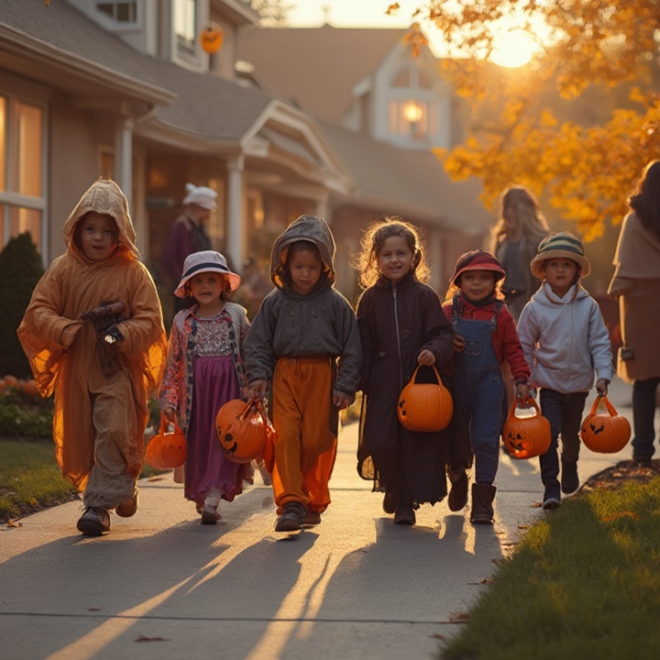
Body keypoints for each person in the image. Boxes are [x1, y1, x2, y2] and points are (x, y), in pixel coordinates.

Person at [17, 179, 168, 536]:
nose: (98, 237)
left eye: (106, 230)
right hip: (77, 370)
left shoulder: (133, 273)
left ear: (120, 234)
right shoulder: (62, 269)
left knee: (114, 428)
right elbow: (38, 311)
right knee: (82, 439)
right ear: (77, 228)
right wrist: (65, 330)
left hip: (115, 369)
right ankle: (119, 488)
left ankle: (98, 506)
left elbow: (150, 320)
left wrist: (123, 333)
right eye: (90, 229)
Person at [243, 215, 361, 532]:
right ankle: (291, 502)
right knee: (287, 437)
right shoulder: (274, 302)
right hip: (285, 374)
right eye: (299, 267)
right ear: (285, 265)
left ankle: (307, 496)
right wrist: (258, 375)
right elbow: (258, 342)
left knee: (316, 439)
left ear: (324, 265)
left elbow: (352, 346)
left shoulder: (336, 304)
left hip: (323, 374)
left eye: (312, 267)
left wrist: (346, 385)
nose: (305, 274)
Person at [354, 218, 472, 527]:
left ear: (414, 257)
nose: (394, 260)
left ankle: (405, 500)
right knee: (380, 441)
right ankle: (392, 484)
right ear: (375, 259)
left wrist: (433, 350)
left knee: (414, 445)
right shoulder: (368, 300)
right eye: (387, 255)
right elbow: (361, 344)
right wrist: (354, 380)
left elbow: (443, 335)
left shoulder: (424, 296)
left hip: (419, 382)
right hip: (382, 382)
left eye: (401, 254)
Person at [518, 232, 613, 509]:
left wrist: (603, 374)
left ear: (576, 272)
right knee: (548, 435)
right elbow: (523, 344)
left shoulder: (588, 307)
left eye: (566, 265)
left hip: (579, 385)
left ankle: (570, 464)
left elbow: (599, 342)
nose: (560, 269)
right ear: (543, 271)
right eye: (553, 264)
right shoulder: (534, 308)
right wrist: (524, 379)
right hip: (548, 384)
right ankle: (551, 486)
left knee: (571, 435)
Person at [159, 250, 251, 524]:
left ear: (224, 284)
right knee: (200, 442)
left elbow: (251, 349)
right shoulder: (182, 322)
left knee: (222, 440)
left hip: (229, 392)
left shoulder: (235, 315)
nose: (206, 286)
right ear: (188, 287)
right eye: (198, 281)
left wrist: (256, 383)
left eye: (212, 280)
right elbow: (173, 363)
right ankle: (204, 493)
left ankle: (213, 494)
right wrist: (168, 399)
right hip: (196, 396)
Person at [442, 250, 530, 524]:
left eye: (484, 278)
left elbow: (513, 349)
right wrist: (447, 343)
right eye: (470, 278)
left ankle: (482, 502)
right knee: (453, 439)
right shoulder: (447, 311)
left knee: (485, 440)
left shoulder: (501, 314)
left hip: (488, 385)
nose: (477, 283)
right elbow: (433, 339)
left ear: (495, 282)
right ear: (458, 281)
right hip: (455, 384)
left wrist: (522, 378)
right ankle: (457, 477)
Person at [608, 161, 660, 466]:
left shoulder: (633, 222)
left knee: (644, 383)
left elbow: (623, 274)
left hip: (641, 309)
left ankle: (642, 453)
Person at [490, 186, 551, 322]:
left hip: (531, 311)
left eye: (512, 207)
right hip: (503, 311)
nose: (507, 212)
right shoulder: (501, 242)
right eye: (505, 207)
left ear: (524, 210)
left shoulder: (539, 243)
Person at [161, 183, 216, 314]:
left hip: (201, 285)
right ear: (196, 208)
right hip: (186, 288)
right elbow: (169, 257)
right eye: (205, 210)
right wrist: (181, 281)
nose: (208, 214)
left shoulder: (200, 228)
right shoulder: (182, 226)